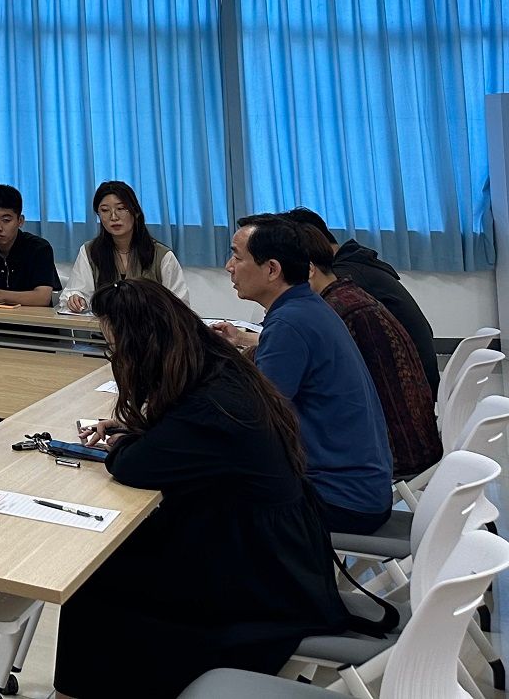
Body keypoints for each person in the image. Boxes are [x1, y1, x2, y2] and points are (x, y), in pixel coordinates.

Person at [57, 278, 346, 699]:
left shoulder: (210, 406)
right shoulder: (217, 368)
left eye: (116, 349)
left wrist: (128, 439)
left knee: (96, 585)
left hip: (265, 579)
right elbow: (171, 438)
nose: (116, 358)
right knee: (120, 565)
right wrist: (140, 430)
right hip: (273, 547)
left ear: (142, 346)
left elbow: (132, 465)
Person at [217, 217, 393, 533]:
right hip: (360, 487)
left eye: (237, 256)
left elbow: (256, 421)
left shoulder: (289, 324)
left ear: (272, 269)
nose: (229, 266)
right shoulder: (306, 307)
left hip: (340, 498)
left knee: (201, 498)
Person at [295, 222, 441, 481]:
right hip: (412, 431)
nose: (230, 267)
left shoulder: (336, 307)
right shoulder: (345, 293)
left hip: (392, 450)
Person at [283, 206, 439, 391]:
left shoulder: (344, 280)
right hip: (413, 379)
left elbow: (311, 338)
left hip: (407, 385)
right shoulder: (355, 263)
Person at [62, 180, 189, 310]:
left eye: (121, 208)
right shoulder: (90, 251)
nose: (113, 217)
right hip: (103, 323)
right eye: (105, 210)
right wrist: (76, 299)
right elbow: (76, 291)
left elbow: (180, 305)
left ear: (136, 212)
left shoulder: (162, 255)